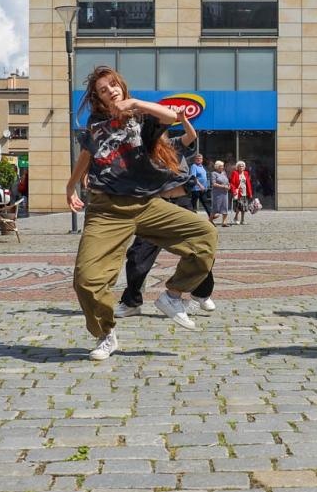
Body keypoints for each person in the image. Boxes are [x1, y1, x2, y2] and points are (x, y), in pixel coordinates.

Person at [67, 65, 218, 361]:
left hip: (147, 204)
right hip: (106, 210)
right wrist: (70, 187)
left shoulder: (141, 115)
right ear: (98, 98)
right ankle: (106, 334)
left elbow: (174, 117)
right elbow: (86, 156)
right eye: (102, 89)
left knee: (204, 234)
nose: (110, 90)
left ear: (121, 86)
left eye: (113, 85)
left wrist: (135, 104)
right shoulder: (95, 124)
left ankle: (173, 295)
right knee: (86, 280)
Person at [116, 111, 218, 319]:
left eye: (161, 129)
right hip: (156, 206)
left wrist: (183, 119)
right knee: (138, 255)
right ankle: (131, 302)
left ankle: (201, 293)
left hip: (182, 204)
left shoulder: (173, 144)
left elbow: (191, 136)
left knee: (200, 248)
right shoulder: (140, 151)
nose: (158, 133)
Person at [229, 161, 253, 225]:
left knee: (244, 207)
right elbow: (232, 183)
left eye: (242, 166)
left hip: (245, 192)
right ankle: (236, 217)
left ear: (244, 167)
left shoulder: (246, 173)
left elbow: (248, 183)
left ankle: (242, 220)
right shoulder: (235, 173)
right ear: (237, 167)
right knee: (238, 206)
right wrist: (234, 191)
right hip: (238, 192)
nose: (241, 167)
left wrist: (250, 193)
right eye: (240, 166)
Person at [209, 160, 230, 224]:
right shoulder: (214, 173)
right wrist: (223, 186)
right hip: (217, 194)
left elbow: (227, 181)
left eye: (223, 166)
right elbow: (214, 184)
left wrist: (229, 186)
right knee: (216, 207)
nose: (222, 167)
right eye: (221, 166)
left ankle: (224, 222)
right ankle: (210, 220)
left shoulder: (224, 173)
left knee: (225, 207)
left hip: (225, 193)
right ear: (217, 167)